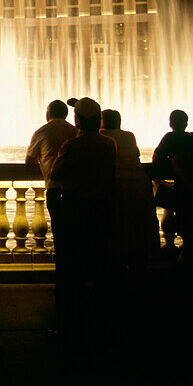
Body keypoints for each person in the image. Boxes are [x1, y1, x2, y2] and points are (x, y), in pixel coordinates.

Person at [49, 98, 115, 335]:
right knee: (97, 267)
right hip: (100, 210)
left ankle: (67, 326)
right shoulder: (109, 145)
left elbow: (57, 172)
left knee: (69, 269)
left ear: (77, 120)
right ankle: (98, 324)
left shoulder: (71, 146)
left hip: (75, 211)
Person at [25, 100, 76, 292]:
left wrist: (42, 160)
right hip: (76, 189)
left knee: (60, 233)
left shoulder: (42, 132)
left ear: (48, 113)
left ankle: (62, 278)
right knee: (75, 233)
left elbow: (29, 161)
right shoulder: (75, 132)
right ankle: (76, 277)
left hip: (55, 188)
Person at [101, 109, 158, 273]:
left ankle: (117, 272)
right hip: (139, 184)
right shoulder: (129, 136)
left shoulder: (102, 136)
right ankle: (138, 270)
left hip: (117, 187)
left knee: (118, 229)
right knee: (139, 229)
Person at [149, 109, 193, 256]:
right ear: (186, 123)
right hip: (188, 182)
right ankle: (186, 245)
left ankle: (169, 243)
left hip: (171, 182)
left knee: (168, 210)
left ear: (170, 123)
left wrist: (158, 177)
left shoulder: (169, 138)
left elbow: (157, 157)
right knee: (187, 213)